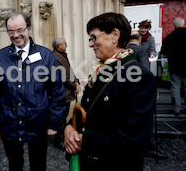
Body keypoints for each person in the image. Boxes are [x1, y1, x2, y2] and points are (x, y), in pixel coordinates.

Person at [64, 13, 157, 171]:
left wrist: (83, 140)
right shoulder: (102, 69)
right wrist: (69, 128)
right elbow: (88, 111)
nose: (90, 44)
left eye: (93, 37)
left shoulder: (139, 76)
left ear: (115, 35)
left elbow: (130, 137)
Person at [0, 12, 66, 171]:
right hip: (9, 122)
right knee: (14, 164)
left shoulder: (46, 56)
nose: (15, 35)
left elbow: (57, 90)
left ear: (29, 29)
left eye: (19, 30)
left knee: (38, 164)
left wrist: (54, 122)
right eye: (11, 31)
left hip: (39, 122)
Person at [52, 37, 81, 151]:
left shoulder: (62, 55)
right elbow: (63, 77)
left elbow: (70, 71)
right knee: (61, 118)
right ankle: (59, 141)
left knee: (64, 116)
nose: (67, 45)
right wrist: (75, 85)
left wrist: (77, 81)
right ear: (59, 45)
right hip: (62, 93)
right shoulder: (55, 57)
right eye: (65, 43)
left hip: (67, 92)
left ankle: (61, 138)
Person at [161, 17, 186, 115]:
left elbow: (164, 52)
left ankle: (177, 108)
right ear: (183, 24)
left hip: (174, 66)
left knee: (175, 86)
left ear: (174, 25)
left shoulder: (169, 37)